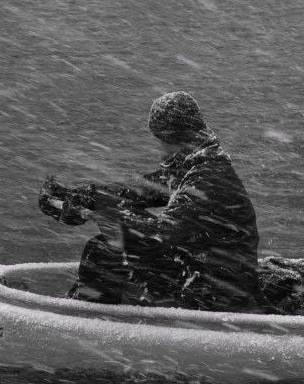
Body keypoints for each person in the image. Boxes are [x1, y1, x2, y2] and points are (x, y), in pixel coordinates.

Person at [38, 91, 261, 312]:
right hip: (206, 270)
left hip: (217, 286)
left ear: (173, 137)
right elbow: (137, 191)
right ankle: (90, 304)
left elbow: (162, 234)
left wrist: (106, 215)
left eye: (161, 141)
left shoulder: (208, 178)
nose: (160, 148)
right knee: (117, 239)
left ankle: (85, 316)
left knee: (105, 249)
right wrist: (81, 196)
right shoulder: (194, 165)